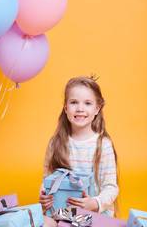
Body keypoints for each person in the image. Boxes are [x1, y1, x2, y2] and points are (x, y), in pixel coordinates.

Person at [39, 75, 119, 227]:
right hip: (61, 210)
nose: (80, 109)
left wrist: (94, 203)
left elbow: (110, 187)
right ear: (65, 107)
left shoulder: (103, 145)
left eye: (87, 103)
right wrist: (43, 196)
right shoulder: (55, 143)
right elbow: (46, 179)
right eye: (74, 102)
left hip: (93, 212)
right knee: (41, 222)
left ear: (97, 109)